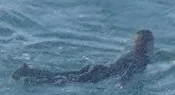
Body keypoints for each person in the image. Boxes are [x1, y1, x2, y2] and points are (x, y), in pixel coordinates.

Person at [15, 30, 154, 85]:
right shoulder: (142, 59)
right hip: (99, 75)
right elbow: (128, 72)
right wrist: (122, 85)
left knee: (63, 75)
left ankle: (30, 72)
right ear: (148, 44)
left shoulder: (131, 53)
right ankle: (33, 80)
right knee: (65, 80)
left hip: (96, 68)